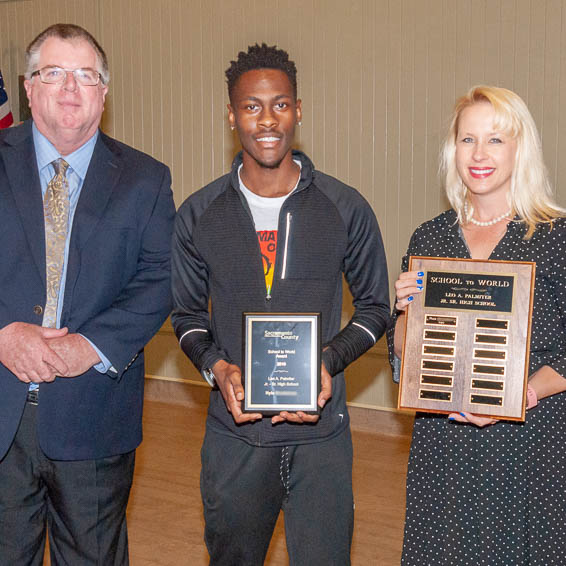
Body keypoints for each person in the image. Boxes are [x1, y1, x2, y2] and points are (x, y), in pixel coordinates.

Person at [172, 43, 390, 565]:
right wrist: (216, 368)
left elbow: (376, 308)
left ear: (298, 109)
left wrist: (327, 362)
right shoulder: (198, 214)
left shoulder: (345, 208)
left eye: (280, 104)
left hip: (322, 440)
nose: (267, 119)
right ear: (231, 115)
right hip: (235, 439)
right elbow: (185, 317)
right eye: (251, 106)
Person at [0, 23, 175, 564]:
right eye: (53, 73)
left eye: (86, 75)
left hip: (95, 417)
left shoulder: (146, 179)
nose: (70, 87)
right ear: (28, 88)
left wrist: (90, 347)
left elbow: (162, 275)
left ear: (104, 93)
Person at [390, 85, 566, 564]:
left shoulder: (555, 237)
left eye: (495, 139)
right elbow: (407, 356)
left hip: (532, 448)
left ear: (520, 148)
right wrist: (406, 310)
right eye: (468, 140)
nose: (479, 154)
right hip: (445, 451)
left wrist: (522, 393)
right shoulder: (430, 237)